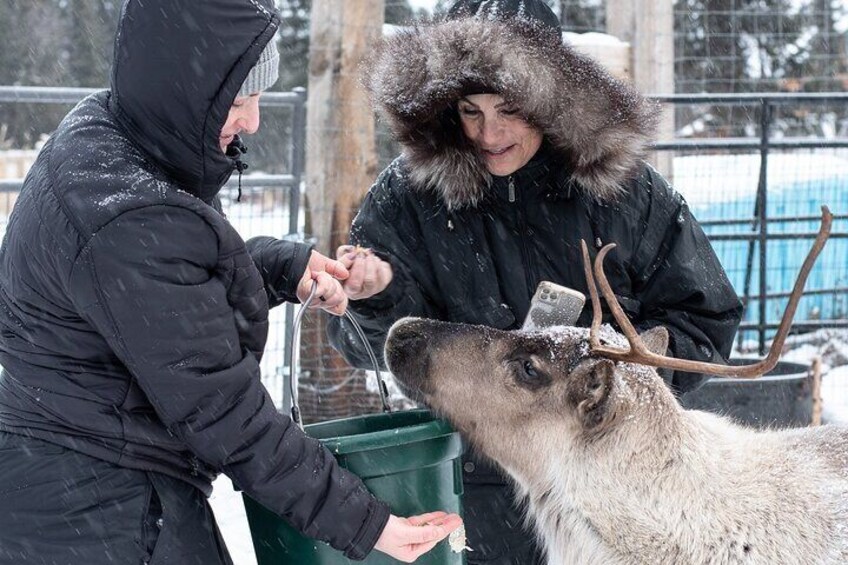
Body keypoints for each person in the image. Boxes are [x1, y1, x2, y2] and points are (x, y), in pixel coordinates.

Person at [0, 1, 461, 563]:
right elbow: (226, 415)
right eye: (238, 101)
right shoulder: (130, 218)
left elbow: (164, 300)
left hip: (73, 475)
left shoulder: (109, 135)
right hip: (104, 514)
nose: (253, 121)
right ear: (182, 93)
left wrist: (282, 268)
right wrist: (368, 524)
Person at [328, 0, 744, 563]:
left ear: (550, 99)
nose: (489, 133)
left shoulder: (622, 189)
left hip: (609, 496)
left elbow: (705, 318)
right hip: (469, 490)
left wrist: (610, 379)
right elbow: (361, 342)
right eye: (470, 110)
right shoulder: (408, 198)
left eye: (509, 107)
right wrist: (372, 295)